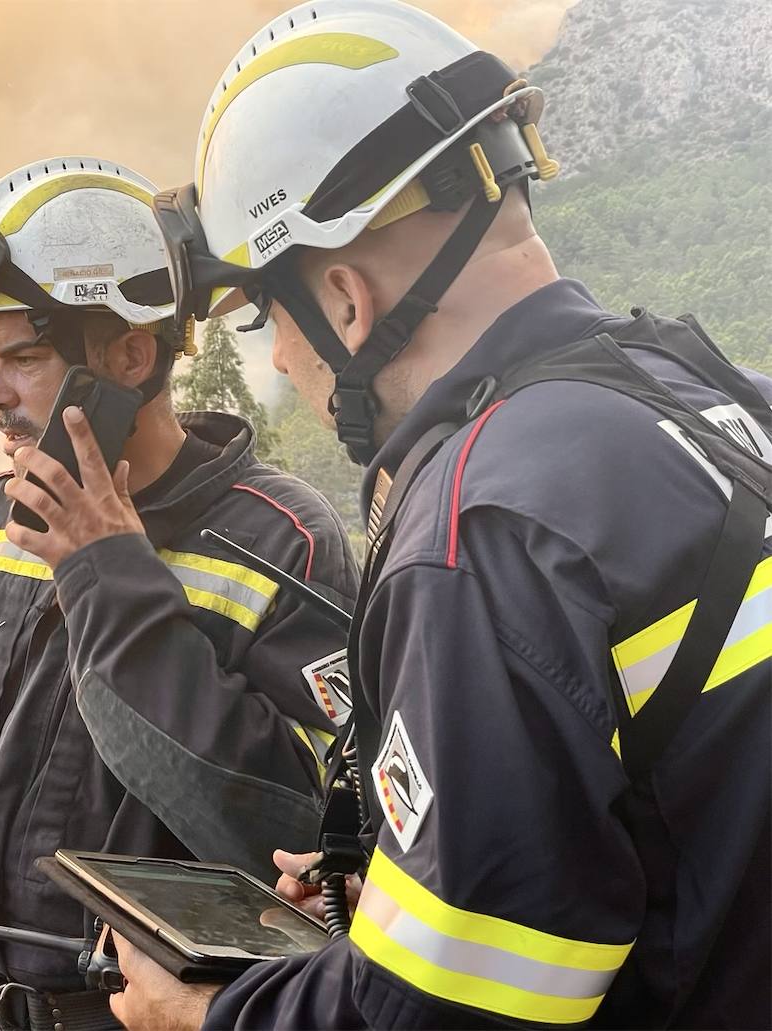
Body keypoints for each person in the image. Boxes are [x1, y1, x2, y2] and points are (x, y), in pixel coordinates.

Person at [106, 1, 772, 1028]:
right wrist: (417, 875)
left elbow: (446, 1011)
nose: (279, 360)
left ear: (343, 300)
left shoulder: (482, 529)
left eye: (264, 320)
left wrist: (207, 1014)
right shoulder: (713, 391)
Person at [0, 156, 360, 1030]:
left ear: (130, 356)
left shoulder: (280, 540)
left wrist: (108, 569)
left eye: (22, 357)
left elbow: (297, 827)